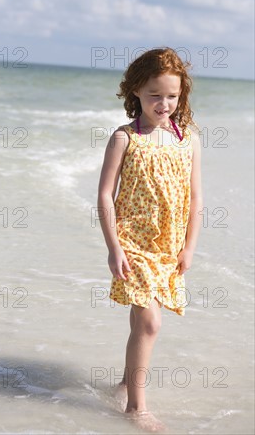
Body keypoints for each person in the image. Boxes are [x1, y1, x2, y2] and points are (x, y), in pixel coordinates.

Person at [97, 47, 203, 432]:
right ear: (136, 91)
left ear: (181, 96)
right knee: (151, 323)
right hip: (133, 243)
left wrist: (189, 246)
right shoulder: (125, 138)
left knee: (141, 320)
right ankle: (135, 408)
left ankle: (127, 381)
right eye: (155, 94)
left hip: (168, 246)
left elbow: (195, 197)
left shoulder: (187, 139)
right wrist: (114, 247)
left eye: (172, 96)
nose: (164, 103)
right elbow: (105, 194)